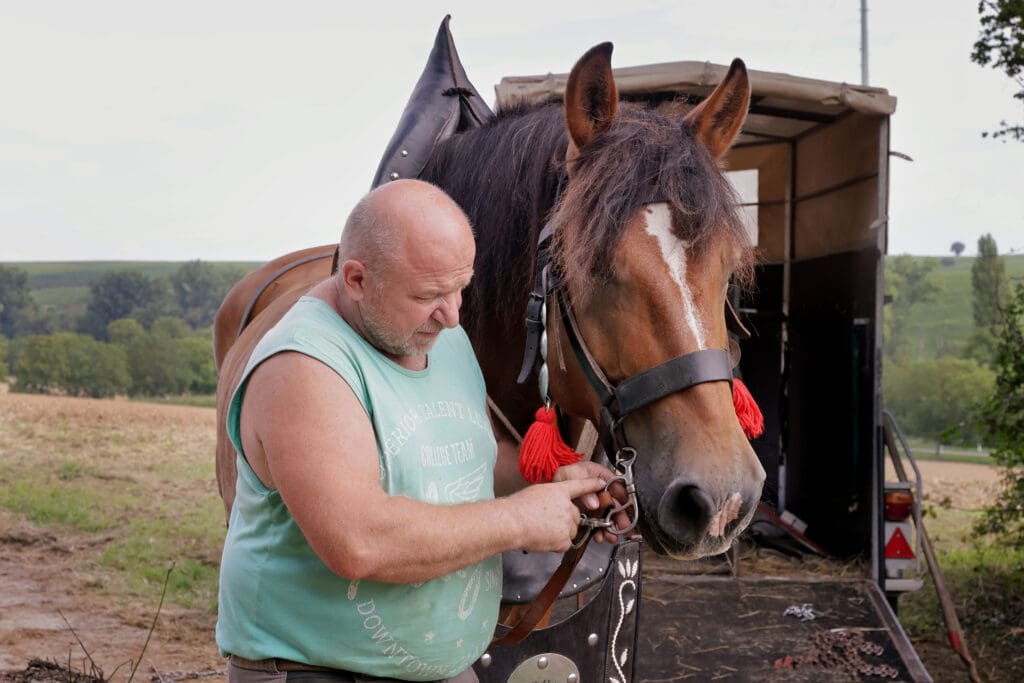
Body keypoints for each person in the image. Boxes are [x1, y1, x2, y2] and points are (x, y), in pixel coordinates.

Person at [216, 179, 620, 683]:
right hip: (316, 671)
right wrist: (520, 521)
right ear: (357, 280)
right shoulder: (303, 368)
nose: (452, 315)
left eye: (460, 288)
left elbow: (459, 454)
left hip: (441, 670)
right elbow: (357, 541)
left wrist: (555, 485)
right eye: (428, 294)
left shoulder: (437, 335)